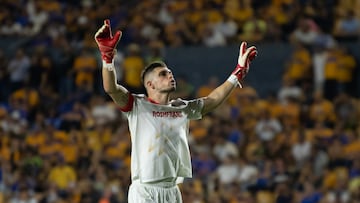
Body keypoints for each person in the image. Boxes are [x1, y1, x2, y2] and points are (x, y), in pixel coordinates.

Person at [94, 19, 257, 203]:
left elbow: (213, 100)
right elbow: (111, 88)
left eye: (170, 72)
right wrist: (107, 58)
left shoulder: (182, 108)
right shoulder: (137, 105)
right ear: (150, 84)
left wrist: (238, 73)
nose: (170, 75)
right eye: (163, 74)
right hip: (145, 190)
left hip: (172, 191)